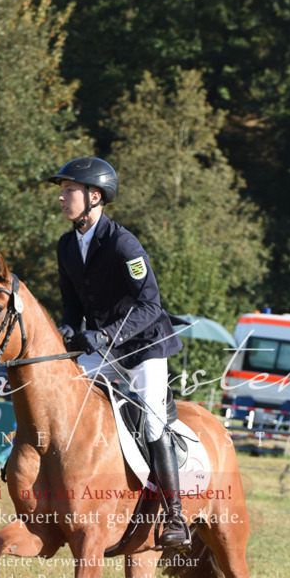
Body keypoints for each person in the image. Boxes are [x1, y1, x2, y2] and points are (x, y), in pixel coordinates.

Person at [47, 155, 188, 548]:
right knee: (64, 395)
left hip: (144, 347)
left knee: (153, 420)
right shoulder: (67, 245)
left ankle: (175, 515)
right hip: (102, 346)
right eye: (62, 192)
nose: (62, 198)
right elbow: (73, 306)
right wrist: (67, 331)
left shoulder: (123, 244)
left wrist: (106, 335)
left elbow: (150, 306)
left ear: (94, 196)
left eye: (68, 191)